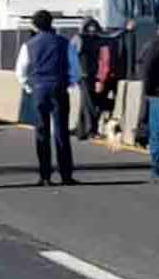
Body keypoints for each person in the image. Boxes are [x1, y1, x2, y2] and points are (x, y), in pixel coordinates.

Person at [15, 10, 82, 186]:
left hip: (39, 89)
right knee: (61, 131)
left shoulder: (29, 45)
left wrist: (29, 87)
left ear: (35, 25)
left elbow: (20, 72)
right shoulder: (64, 43)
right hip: (59, 88)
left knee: (42, 132)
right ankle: (66, 174)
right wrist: (69, 83)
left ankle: (45, 175)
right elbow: (75, 69)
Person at [71, 18, 113, 140]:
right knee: (90, 103)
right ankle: (91, 130)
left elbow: (112, 39)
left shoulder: (97, 40)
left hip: (91, 75)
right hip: (84, 76)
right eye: (90, 28)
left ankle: (81, 130)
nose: (92, 30)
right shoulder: (79, 39)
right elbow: (71, 56)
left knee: (87, 102)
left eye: (94, 28)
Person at [139, 27, 159, 181]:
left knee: (156, 135)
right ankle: (156, 169)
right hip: (157, 96)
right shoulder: (154, 46)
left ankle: (156, 170)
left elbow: (146, 71)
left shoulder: (153, 46)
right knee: (156, 135)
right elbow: (147, 71)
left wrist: (147, 92)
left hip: (156, 96)